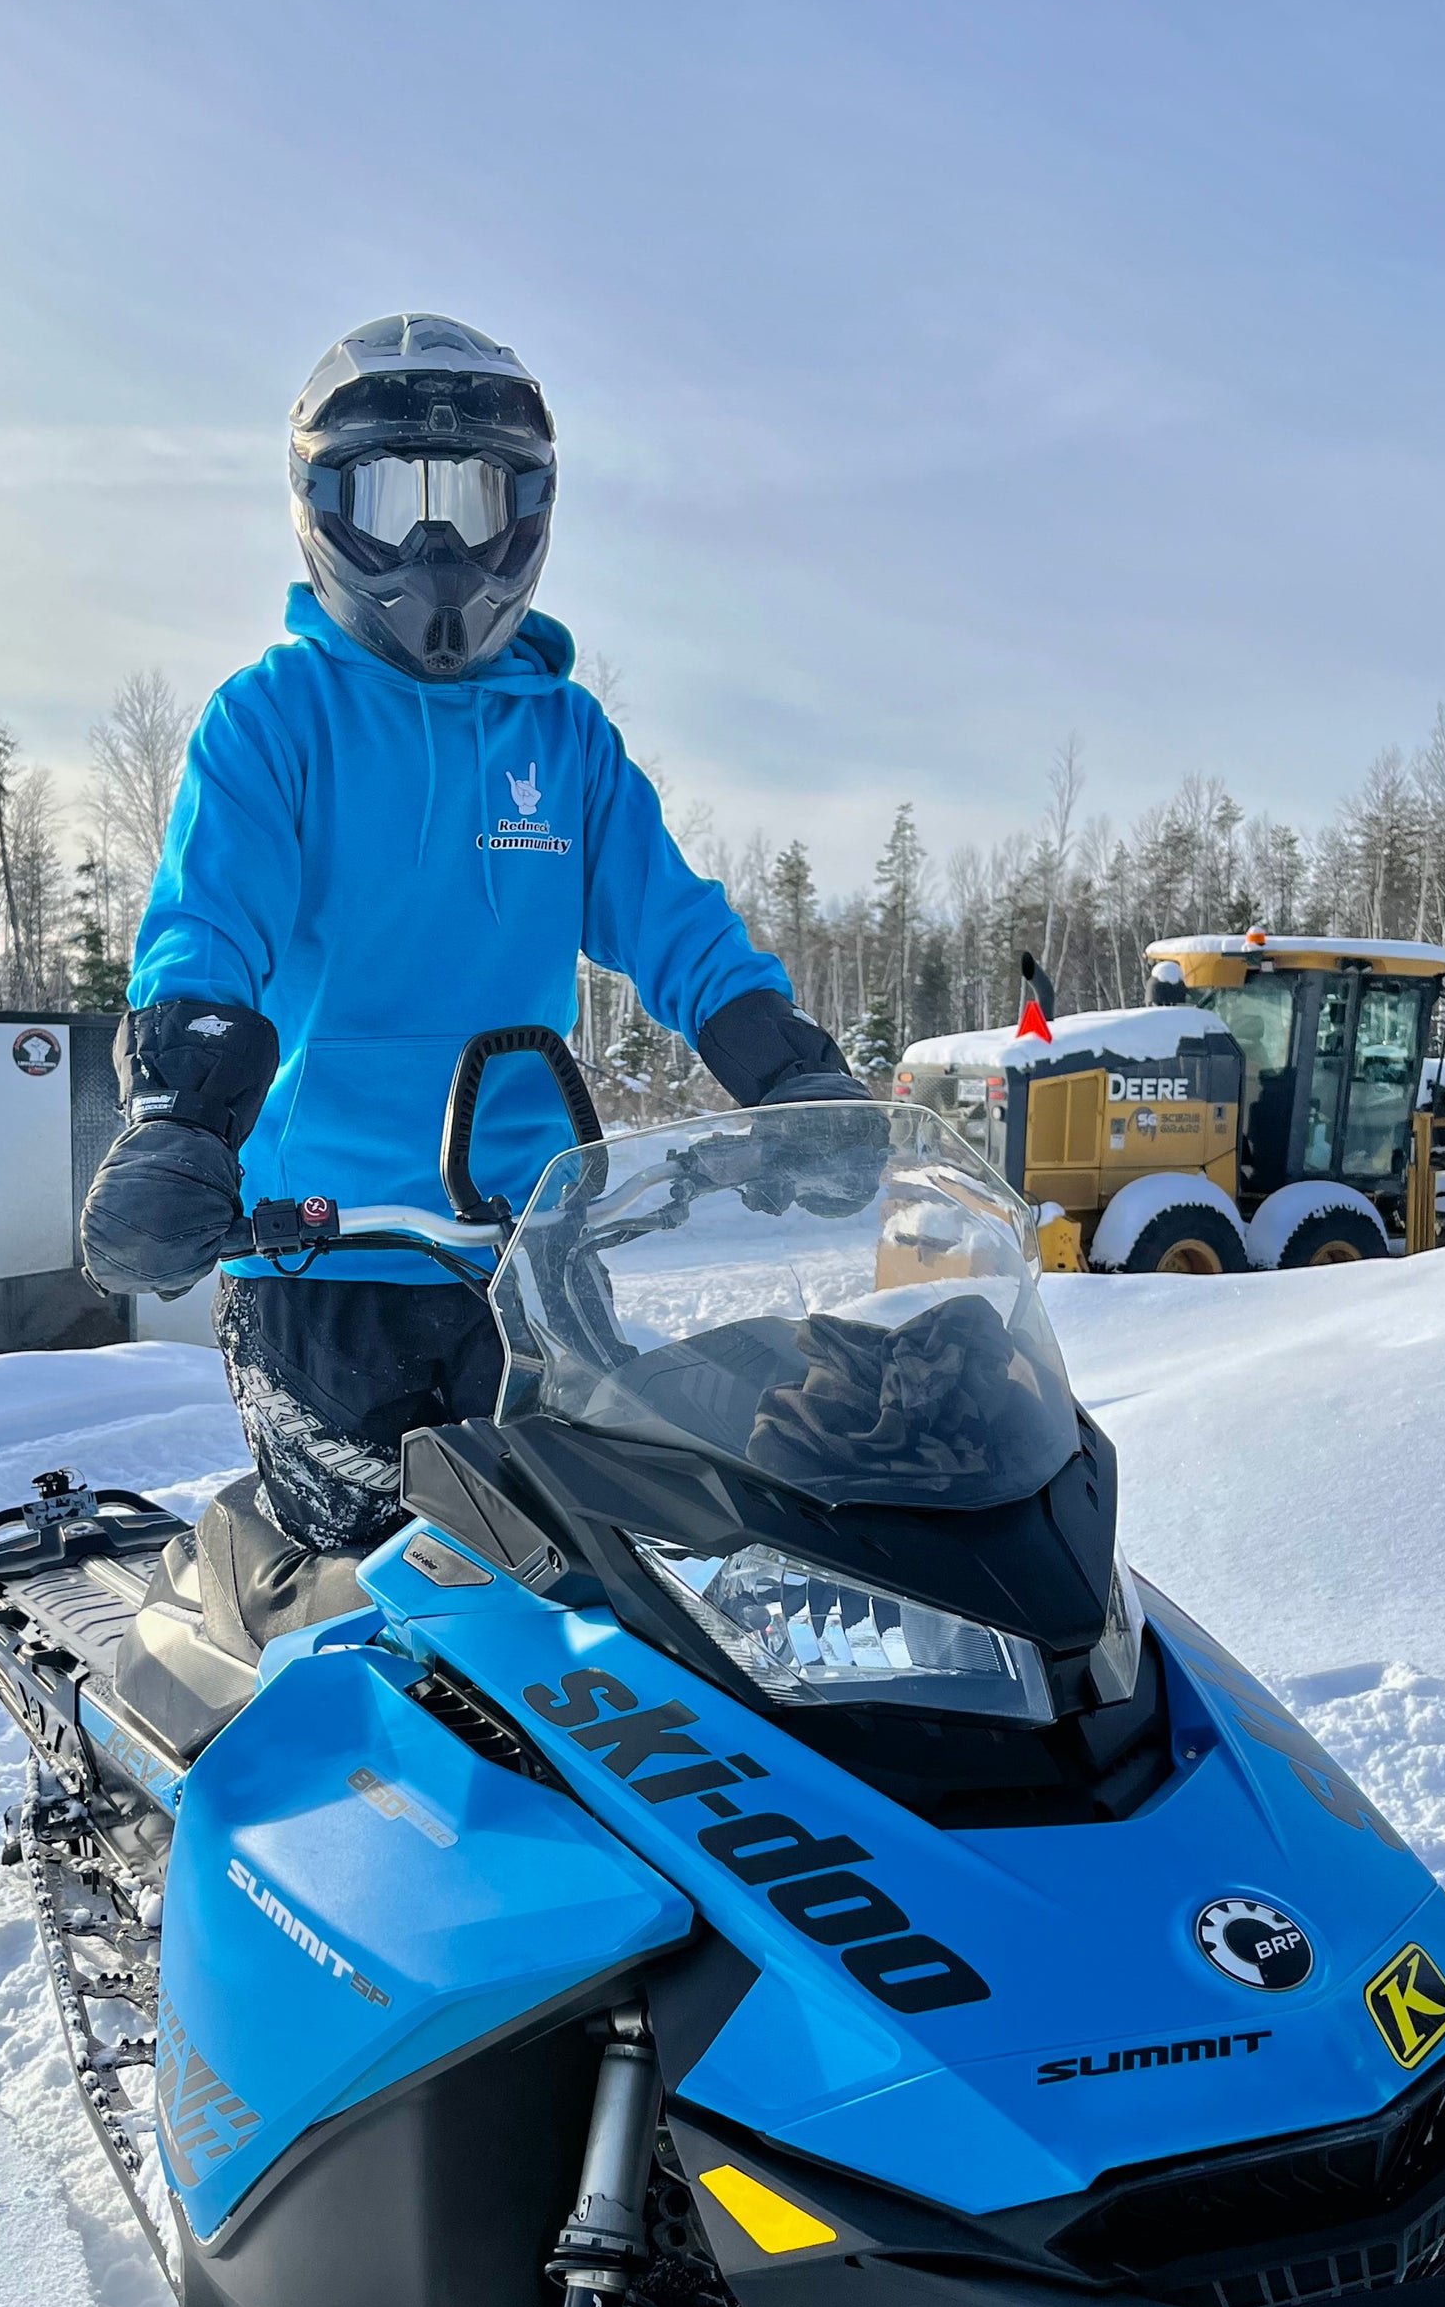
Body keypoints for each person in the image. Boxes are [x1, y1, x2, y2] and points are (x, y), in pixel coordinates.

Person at [81, 313, 863, 1645]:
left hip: (537, 1258)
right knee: (379, 1628)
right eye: (398, 501)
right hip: (327, 1261)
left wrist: (786, 1068)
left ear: (529, 516)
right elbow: (210, 925)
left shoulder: (562, 736)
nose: (437, 547)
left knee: (604, 1614)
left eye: (474, 501)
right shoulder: (276, 718)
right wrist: (180, 1114)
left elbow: (671, 925)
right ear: (328, 509)